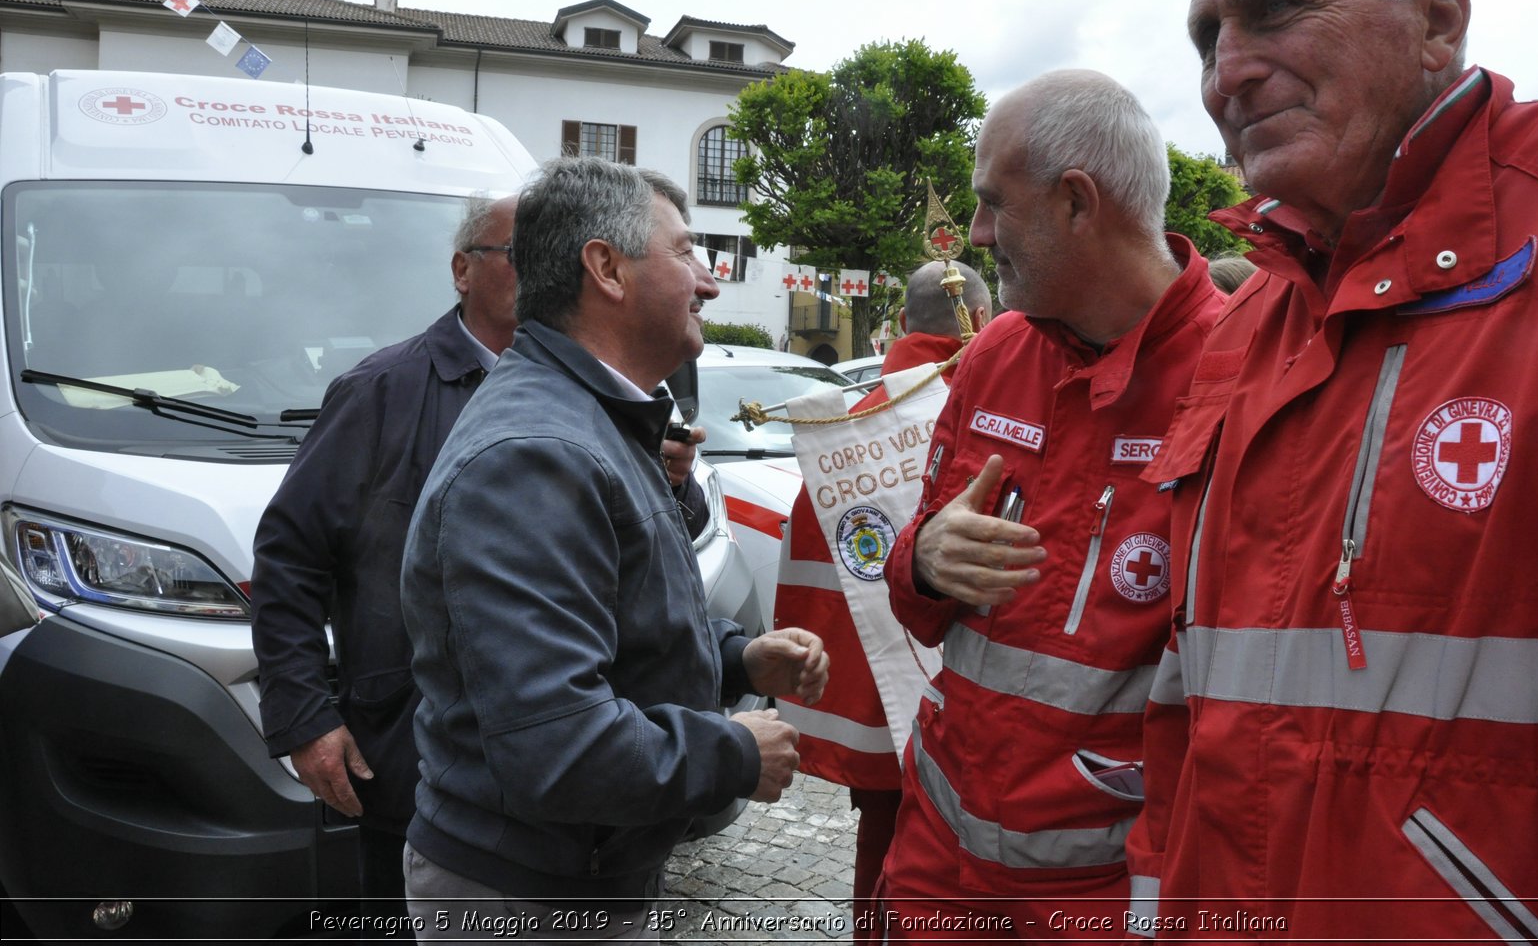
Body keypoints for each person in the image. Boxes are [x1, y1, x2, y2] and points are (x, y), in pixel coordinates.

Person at [1124, 0, 1538, 940]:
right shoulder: (1248, 329)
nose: (1225, 73)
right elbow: (1183, 709)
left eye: (1276, 9)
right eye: (1206, 37)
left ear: (1437, 22)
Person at [250, 192, 713, 932]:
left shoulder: (609, 390)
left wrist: (675, 490)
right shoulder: (383, 390)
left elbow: (642, 555)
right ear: (463, 270)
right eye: (517, 255)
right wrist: (304, 715)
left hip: (576, 782)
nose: (540, 270)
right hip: (414, 758)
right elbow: (288, 556)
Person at [398, 157, 829, 941]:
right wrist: (731, 751)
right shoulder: (535, 451)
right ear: (606, 268)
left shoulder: (590, 418)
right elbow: (556, 745)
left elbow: (614, 614)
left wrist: (736, 656)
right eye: (685, 251)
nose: (709, 282)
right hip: (529, 899)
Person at [877, 70, 1224, 936]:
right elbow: (917, 598)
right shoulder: (996, 351)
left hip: (1108, 890)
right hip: (940, 855)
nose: (977, 235)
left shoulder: (1239, 374)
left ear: (1078, 201)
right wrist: (921, 558)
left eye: (995, 204)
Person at [773, 259, 991, 943]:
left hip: (873, 710)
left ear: (898, 325)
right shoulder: (986, 409)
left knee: (881, 856)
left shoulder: (846, 429)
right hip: (967, 703)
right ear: (980, 321)